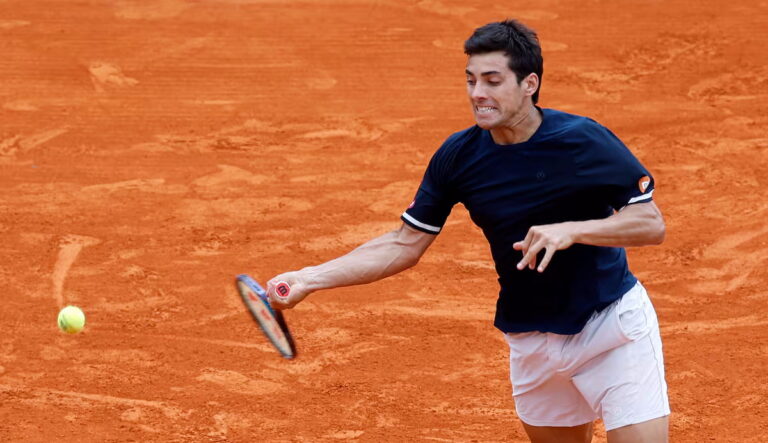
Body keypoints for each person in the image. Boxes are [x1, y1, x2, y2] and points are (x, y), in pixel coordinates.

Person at [265, 19, 670, 443]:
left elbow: (650, 223)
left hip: (608, 326)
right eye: (471, 80)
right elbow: (404, 243)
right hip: (531, 337)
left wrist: (572, 230)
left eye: (493, 81)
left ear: (529, 83)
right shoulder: (458, 157)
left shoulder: (582, 140)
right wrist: (307, 278)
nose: (478, 93)